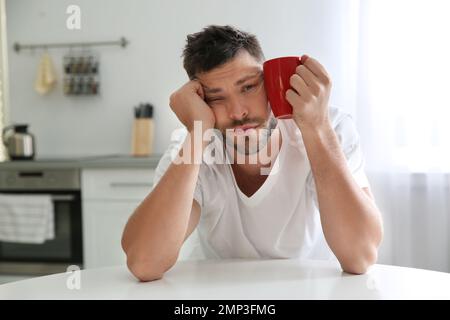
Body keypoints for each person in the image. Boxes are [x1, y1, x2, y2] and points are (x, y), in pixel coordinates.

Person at [121, 25, 383, 282]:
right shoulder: (193, 146)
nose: (237, 112)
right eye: (216, 98)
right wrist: (197, 133)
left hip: (310, 287)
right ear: (200, 102)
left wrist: (318, 128)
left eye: (248, 87)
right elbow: (145, 263)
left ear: (269, 82)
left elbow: (360, 256)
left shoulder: (330, 126)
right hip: (220, 294)